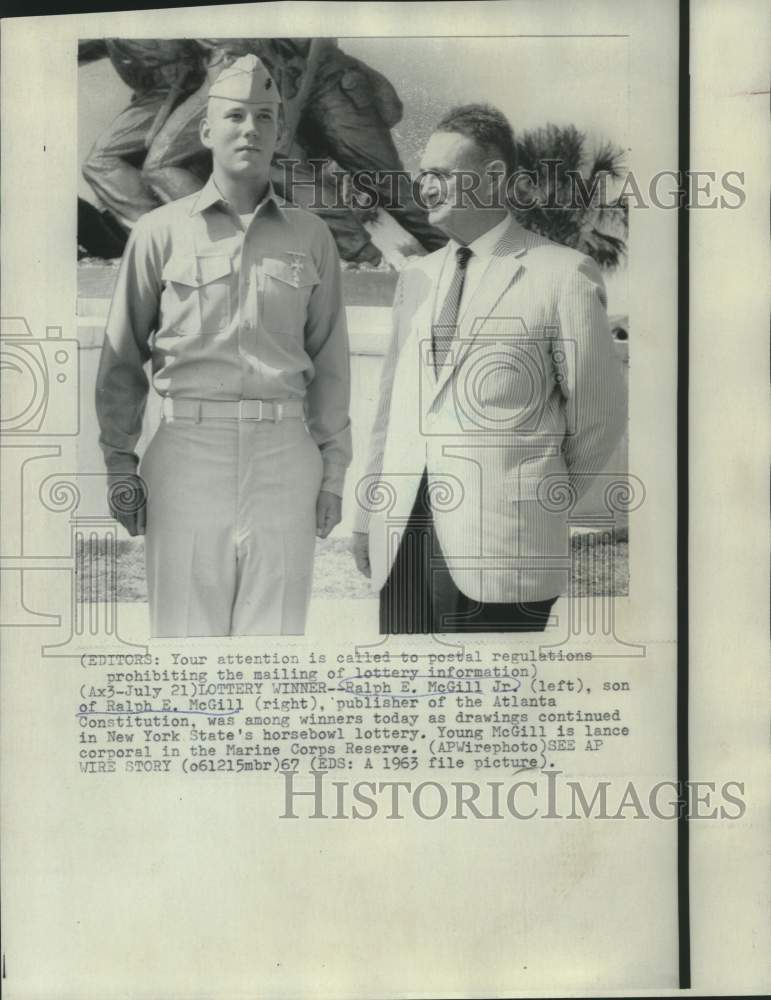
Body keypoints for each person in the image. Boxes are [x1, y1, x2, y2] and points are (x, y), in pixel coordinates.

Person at [95, 54, 352, 637]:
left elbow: (332, 365)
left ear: (280, 132)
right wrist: (119, 463)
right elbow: (121, 361)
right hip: (186, 453)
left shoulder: (312, 238)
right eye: (234, 115)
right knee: (185, 647)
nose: (250, 129)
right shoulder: (157, 234)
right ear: (206, 131)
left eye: (265, 116)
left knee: (273, 655)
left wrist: (333, 473)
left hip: (285, 458)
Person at [351, 104, 626, 633]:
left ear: (494, 177)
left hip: (504, 551)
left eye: (441, 175)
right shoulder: (418, 279)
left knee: (492, 707)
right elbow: (390, 414)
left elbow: (600, 416)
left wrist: (538, 504)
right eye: (422, 175)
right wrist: (367, 518)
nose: (425, 188)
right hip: (402, 541)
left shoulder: (562, 275)